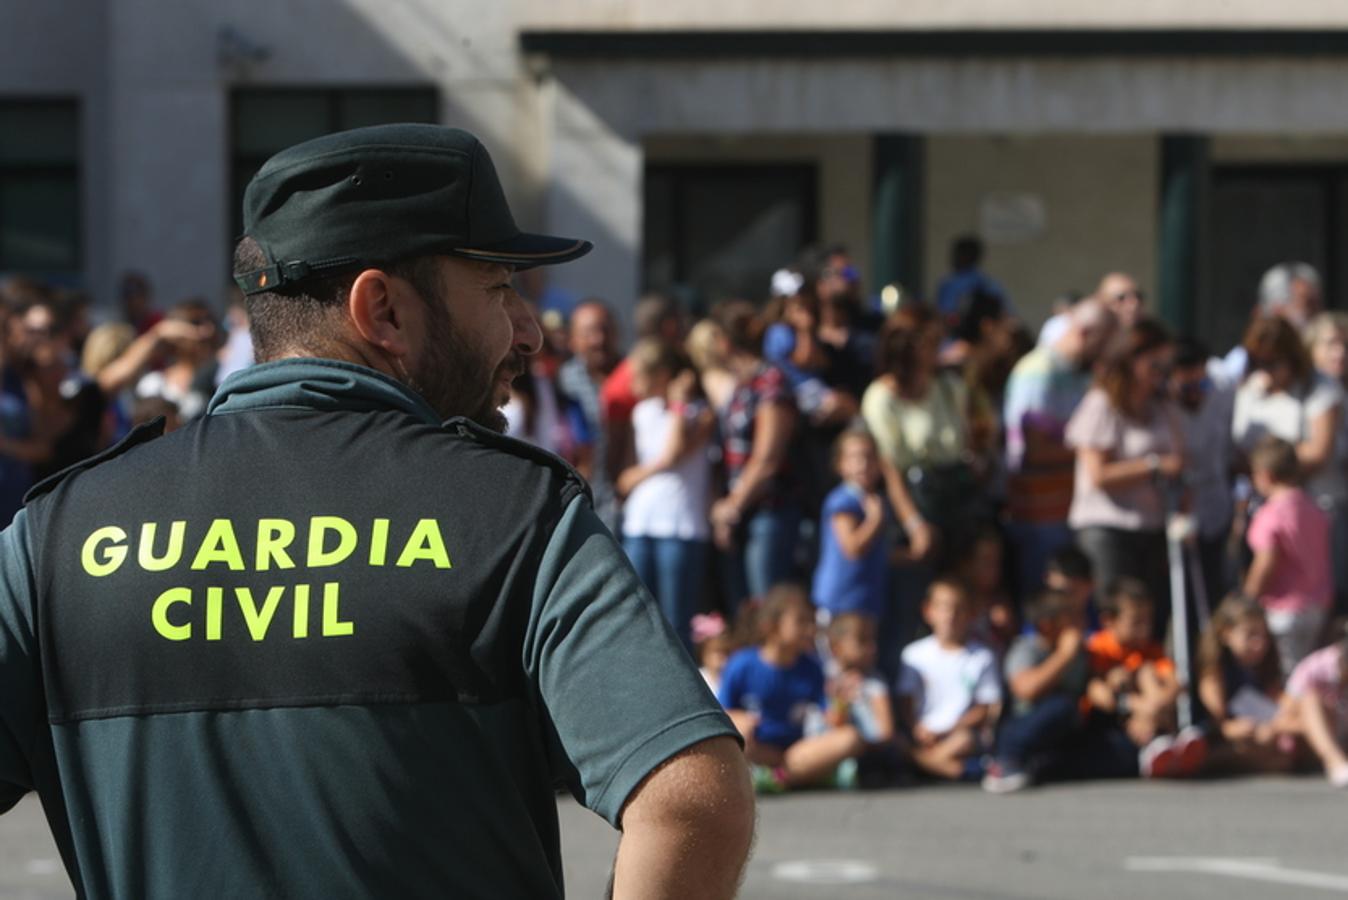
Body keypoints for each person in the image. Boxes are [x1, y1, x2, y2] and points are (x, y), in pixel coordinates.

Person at [0, 124, 753, 899]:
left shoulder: (55, 540)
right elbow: (692, 801)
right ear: (383, 310)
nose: (526, 331)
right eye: (497, 289)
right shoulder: (511, 515)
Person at [1065, 319, 1183, 640]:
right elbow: (1098, 475)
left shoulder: (1161, 406)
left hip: (1152, 526)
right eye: (1155, 364)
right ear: (1131, 361)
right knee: (1118, 619)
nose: (1162, 372)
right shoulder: (1101, 404)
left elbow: (1180, 460)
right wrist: (1153, 465)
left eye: (1166, 365)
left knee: (1151, 621)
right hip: (1108, 531)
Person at [1003, 298, 1114, 598]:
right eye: (1104, 342)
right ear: (1085, 334)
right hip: (1039, 514)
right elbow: (1033, 450)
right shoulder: (1037, 372)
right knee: (1046, 601)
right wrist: (1095, 455)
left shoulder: (1079, 374)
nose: (1106, 351)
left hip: (1066, 509)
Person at [616, 339, 715, 652]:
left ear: (661, 375)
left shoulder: (698, 413)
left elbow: (672, 452)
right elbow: (625, 478)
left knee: (675, 623)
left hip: (680, 526)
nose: (633, 384)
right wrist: (647, 471)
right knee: (634, 615)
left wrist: (678, 402)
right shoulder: (641, 413)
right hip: (640, 524)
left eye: (640, 376)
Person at [719, 583, 866, 791]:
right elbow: (719, 714)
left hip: (795, 753)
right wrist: (741, 719)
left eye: (811, 622)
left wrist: (840, 701)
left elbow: (834, 721)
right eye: (801, 622)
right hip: (756, 747)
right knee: (737, 733)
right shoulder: (742, 664)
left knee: (851, 738)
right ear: (771, 626)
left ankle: (776, 778)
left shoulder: (811, 667)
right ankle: (794, 777)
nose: (809, 629)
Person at [710, 301, 801, 610]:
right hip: (741, 513)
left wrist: (732, 507)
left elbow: (767, 459)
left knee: (766, 610)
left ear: (724, 341)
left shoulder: (771, 382)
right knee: (743, 611)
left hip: (768, 512)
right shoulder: (740, 384)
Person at [1084, 578, 1205, 778]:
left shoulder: (1150, 649)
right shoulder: (1099, 648)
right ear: (1109, 621)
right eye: (1136, 621)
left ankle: (1161, 746)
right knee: (1135, 675)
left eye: (1148, 620)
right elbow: (1098, 693)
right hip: (1111, 718)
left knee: (1148, 672)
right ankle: (1160, 743)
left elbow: (1176, 683)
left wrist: (1156, 705)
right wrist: (1139, 705)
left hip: (1149, 715)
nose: (1145, 628)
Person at [982, 588, 1090, 793]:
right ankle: (1006, 763)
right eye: (1072, 618)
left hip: (1063, 736)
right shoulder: (1026, 649)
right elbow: (1027, 689)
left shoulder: (1081, 652)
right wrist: (1064, 656)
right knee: (1061, 705)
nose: (1081, 623)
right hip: (1022, 727)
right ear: (1047, 625)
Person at [1244, 436, 1332, 677]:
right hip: (1317, 603)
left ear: (1265, 475)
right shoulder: (1313, 506)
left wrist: (1247, 598)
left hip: (1284, 610)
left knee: (1292, 678)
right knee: (1310, 672)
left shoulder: (1270, 515)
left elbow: (1266, 561)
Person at [896, 578, 1001, 781]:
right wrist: (917, 728)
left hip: (958, 734)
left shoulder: (981, 656)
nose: (950, 616)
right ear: (929, 611)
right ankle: (947, 769)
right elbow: (905, 701)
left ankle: (920, 764)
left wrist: (949, 729)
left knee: (964, 740)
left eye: (958, 609)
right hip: (922, 733)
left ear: (971, 614)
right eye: (944, 608)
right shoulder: (913, 654)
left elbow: (985, 707)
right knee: (896, 739)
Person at [1198, 595, 1300, 774]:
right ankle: (1206, 761)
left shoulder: (1263, 668)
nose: (1259, 643)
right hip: (1227, 738)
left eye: (1263, 635)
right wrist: (1239, 728)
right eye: (1251, 634)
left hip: (1264, 732)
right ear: (1226, 633)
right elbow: (1219, 725)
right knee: (1274, 759)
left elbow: (1279, 702)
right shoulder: (1215, 674)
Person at [1169, 336, 1235, 610]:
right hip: (1174, 514)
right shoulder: (1161, 405)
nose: (1197, 392)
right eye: (1188, 386)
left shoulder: (1222, 390)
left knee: (1212, 592)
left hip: (1215, 510)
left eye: (1202, 383)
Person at [558, 298, 622, 529]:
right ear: (572, 339)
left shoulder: (635, 377)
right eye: (589, 333)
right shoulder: (561, 383)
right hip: (579, 505)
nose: (599, 340)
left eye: (605, 330)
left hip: (629, 507)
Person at [1213, 261, 1323, 389]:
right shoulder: (1238, 369)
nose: (1318, 313)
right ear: (1277, 309)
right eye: (1308, 304)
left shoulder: (1328, 359)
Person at [1305, 312, 1348, 615]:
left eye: (1345, 344)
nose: (1340, 352)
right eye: (1331, 343)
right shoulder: (1305, 392)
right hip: (1310, 510)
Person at [1283, 623, 1348, 787]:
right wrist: (1319, 724)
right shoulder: (1313, 668)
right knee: (1311, 698)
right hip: (1308, 743)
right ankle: (1335, 761)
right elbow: (1282, 719)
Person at [1038, 271, 1142, 348]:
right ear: (1101, 301)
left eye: (1138, 296)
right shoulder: (1065, 328)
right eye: (1121, 298)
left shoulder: (1146, 335)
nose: (1133, 304)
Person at [934, 235, 1010, 325]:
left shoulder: (950, 285)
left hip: (963, 333)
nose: (953, 258)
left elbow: (945, 314)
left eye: (958, 254)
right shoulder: (990, 283)